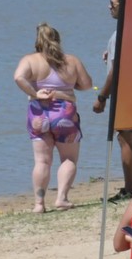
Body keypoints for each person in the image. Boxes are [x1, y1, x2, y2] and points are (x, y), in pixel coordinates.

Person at [13, 23, 93, 213]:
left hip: (39, 113)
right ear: (58, 39)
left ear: (37, 41)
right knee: (69, 158)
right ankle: (61, 199)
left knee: (41, 161)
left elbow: (18, 77)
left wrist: (35, 93)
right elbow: (87, 84)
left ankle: (39, 204)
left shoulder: (30, 60)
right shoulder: (71, 61)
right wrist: (70, 87)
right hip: (65, 113)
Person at [93, 0, 132, 201]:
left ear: (124, 5)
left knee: (125, 140)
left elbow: (115, 72)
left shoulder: (120, 34)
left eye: (112, 3)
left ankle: (130, 188)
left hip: (125, 92)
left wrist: (102, 98)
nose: (109, 7)